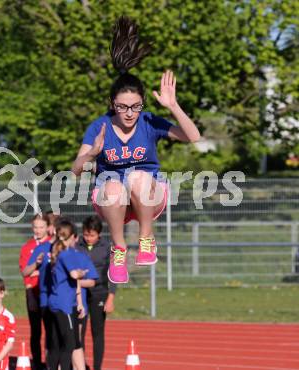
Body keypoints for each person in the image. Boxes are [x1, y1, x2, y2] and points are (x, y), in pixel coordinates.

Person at [72, 16, 200, 284]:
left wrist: (173, 106)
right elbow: (75, 170)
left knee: (136, 177)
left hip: (148, 197)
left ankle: (146, 238)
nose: (129, 113)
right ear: (112, 104)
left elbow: (193, 136)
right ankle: (119, 249)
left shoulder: (149, 122)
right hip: (112, 201)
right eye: (122, 107)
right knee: (114, 184)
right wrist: (92, 154)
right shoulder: (99, 126)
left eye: (135, 106)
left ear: (142, 103)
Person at [47, 219, 97, 370]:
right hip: (65, 305)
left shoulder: (56, 251)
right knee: (69, 344)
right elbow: (74, 275)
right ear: (72, 237)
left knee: (57, 343)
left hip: (56, 302)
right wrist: (82, 272)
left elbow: (72, 282)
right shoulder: (66, 253)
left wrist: (80, 302)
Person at [76, 216, 116, 370]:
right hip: (81, 293)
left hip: (100, 293)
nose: (88, 238)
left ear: (99, 234)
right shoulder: (77, 245)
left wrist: (110, 298)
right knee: (80, 332)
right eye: (86, 234)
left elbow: (113, 274)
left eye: (92, 235)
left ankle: (97, 367)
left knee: (97, 333)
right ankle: (81, 366)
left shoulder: (106, 247)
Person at [18, 213, 51, 370]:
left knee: (51, 329)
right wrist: (36, 268)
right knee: (36, 330)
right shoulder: (28, 246)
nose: (38, 230)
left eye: (41, 227)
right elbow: (25, 272)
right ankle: (37, 363)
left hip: (50, 293)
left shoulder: (52, 245)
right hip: (33, 292)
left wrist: (36, 272)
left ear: (48, 227)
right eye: (35, 227)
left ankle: (51, 361)